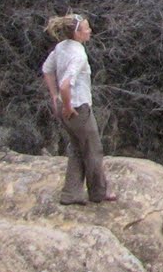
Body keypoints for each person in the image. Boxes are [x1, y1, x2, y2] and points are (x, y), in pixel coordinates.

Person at [41, 13, 116, 204]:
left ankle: (71, 193)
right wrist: (67, 105)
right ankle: (99, 192)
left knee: (76, 148)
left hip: (65, 106)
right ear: (77, 33)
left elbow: (47, 69)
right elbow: (66, 84)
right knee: (93, 149)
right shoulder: (78, 54)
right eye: (86, 28)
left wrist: (54, 97)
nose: (89, 31)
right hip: (77, 108)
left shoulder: (61, 48)